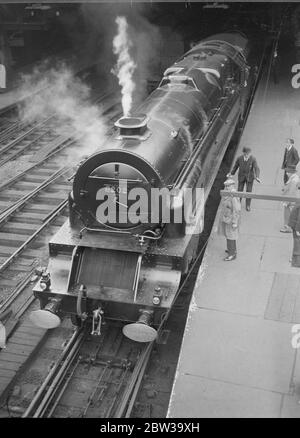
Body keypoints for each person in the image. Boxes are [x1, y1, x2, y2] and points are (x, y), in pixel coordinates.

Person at [228, 146, 260, 211]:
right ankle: (238, 204)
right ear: (244, 153)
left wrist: (257, 177)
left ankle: (248, 205)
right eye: (246, 154)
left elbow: (256, 168)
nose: (248, 155)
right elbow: (235, 166)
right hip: (241, 177)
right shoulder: (239, 158)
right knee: (239, 191)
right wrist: (231, 173)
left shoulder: (253, 159)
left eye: (249, 154)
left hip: (249, 178)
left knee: (249, 192)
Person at [218, 178, 241, 261]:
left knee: (231, 236)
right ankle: (232, 250)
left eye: (228, 186)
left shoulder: (233, 197)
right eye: (226, 186)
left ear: (232, 186)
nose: (227, 187)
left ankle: (232, 254)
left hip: (231, 220)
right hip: (227, 219)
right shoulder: (228, 194)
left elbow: (237, 210)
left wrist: (235, 222)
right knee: (229, 235)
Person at [280, 166, 300, 233]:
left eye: (287, 172)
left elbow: (291, 192)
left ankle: (288, 228)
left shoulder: (294, 180)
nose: (286, 173)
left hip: (291, 201)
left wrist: (287, 202)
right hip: (293, 200)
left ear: (291, 172)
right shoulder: (294, 177)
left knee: (288, 214)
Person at [288, 201, 300, 267]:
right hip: (296, 224)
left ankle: (296, 260)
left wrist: (298, 229)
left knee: (297, 242)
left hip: (297, 226)